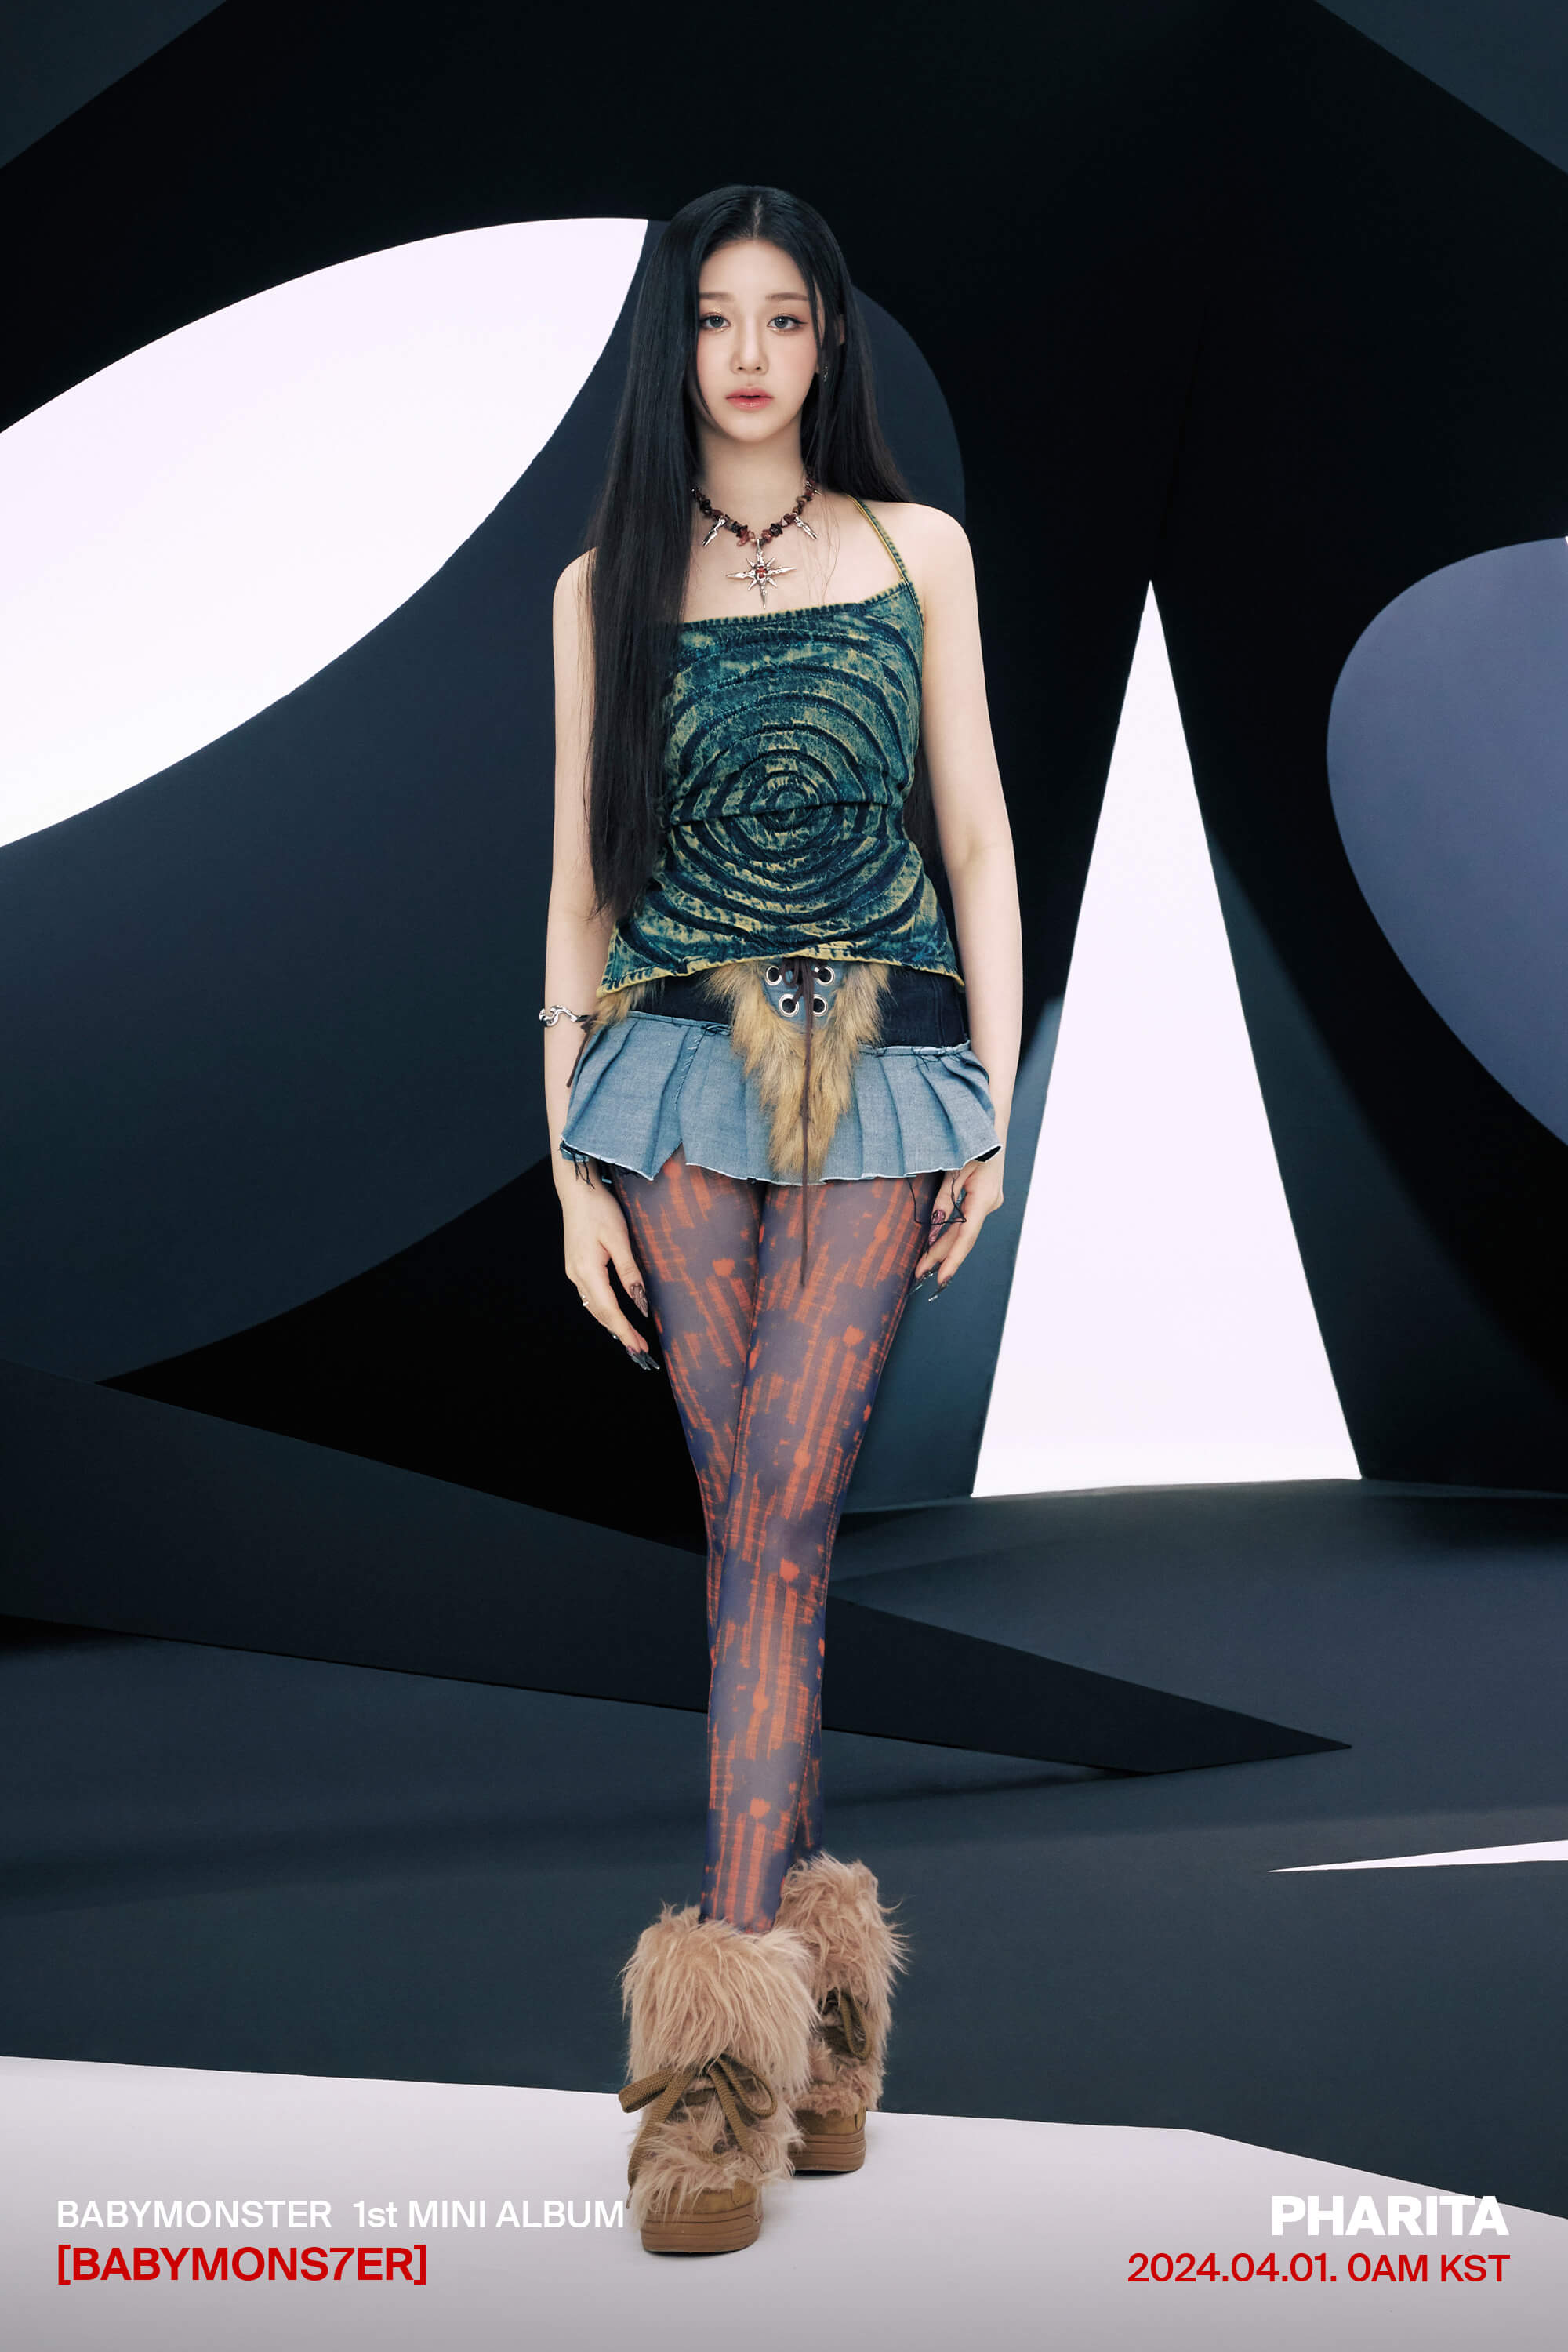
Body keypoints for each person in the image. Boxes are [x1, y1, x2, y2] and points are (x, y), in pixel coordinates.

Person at [542, 183, 1022, 2254]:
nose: (749, 354)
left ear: (829, 343)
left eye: (786, 318)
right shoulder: (601, 584)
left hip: (882, 1060)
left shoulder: (919, 553)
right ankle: (813, 2029)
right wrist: (564, 1157)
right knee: (761, 1531)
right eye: (717, 318)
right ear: (679, 346)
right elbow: (577, 886)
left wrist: (995, 1097)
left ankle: (710, 2089)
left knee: (783, 1510)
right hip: (666, 1076)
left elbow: (977, 831)